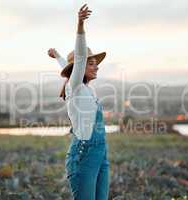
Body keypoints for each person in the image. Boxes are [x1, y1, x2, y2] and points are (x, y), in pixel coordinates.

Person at [48, 4, 110, 200]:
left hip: (101, 154)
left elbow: (72, 66)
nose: (96, 67)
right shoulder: (73, 87)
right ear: (79, 68)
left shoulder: (86, 89)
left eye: (96, 64)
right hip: (83, 155)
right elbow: (80, 58)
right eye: (91, 64)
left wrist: (57, 56)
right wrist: (80, 24)